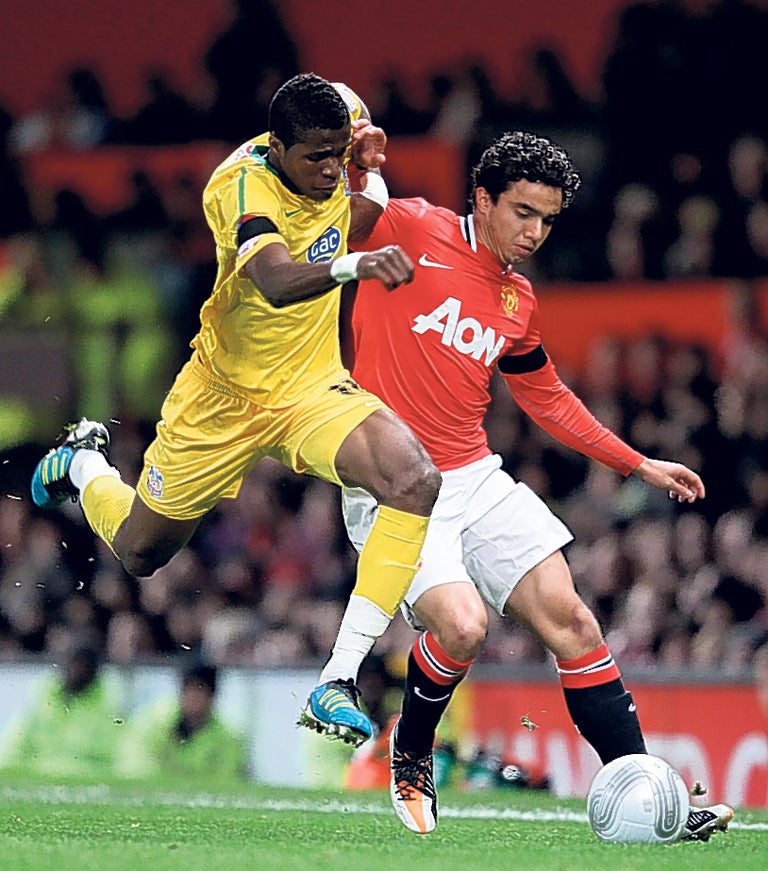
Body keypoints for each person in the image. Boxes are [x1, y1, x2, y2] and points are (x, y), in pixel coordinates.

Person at [318, 130, 733, 840]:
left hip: (474, 475)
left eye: (547, 219)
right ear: (483, 198)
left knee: (572, 621)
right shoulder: (410, 223)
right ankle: (411, 750)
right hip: (392, 482)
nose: (535, 232)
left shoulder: (518, 299)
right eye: (522, 213)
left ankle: (649, 793)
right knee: (463, 626)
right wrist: (354, 163)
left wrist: (637, 463)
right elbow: (330, 214)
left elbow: (548, 399)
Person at [30, 74, 441, 746]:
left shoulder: (339, 123)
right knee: (140, 552)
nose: (329, 167)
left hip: (309, 386)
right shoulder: (238, 186)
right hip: (222, 397)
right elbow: (278, 280)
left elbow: (351, 205)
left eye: (338, 151)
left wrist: (367, 163)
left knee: (415, 477)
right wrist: (355, 268)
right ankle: (82, 464)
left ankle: (336, 677)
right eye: (316, 157)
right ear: (276, 146)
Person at [0, 641, 122, 776]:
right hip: (39, 775)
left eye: (84, 665)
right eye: (74, 663)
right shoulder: (40, 703)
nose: (77, 670)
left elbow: (122, 754)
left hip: (90, 777)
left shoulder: (110, 707)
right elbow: (13, 748)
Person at [117, 663, 247, 783]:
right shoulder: (155, 722)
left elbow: (226, 781)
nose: (193, 698)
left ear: (212, 696)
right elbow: (135, 766)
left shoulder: (227, 739)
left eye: (199, 691)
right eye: (188, 690)